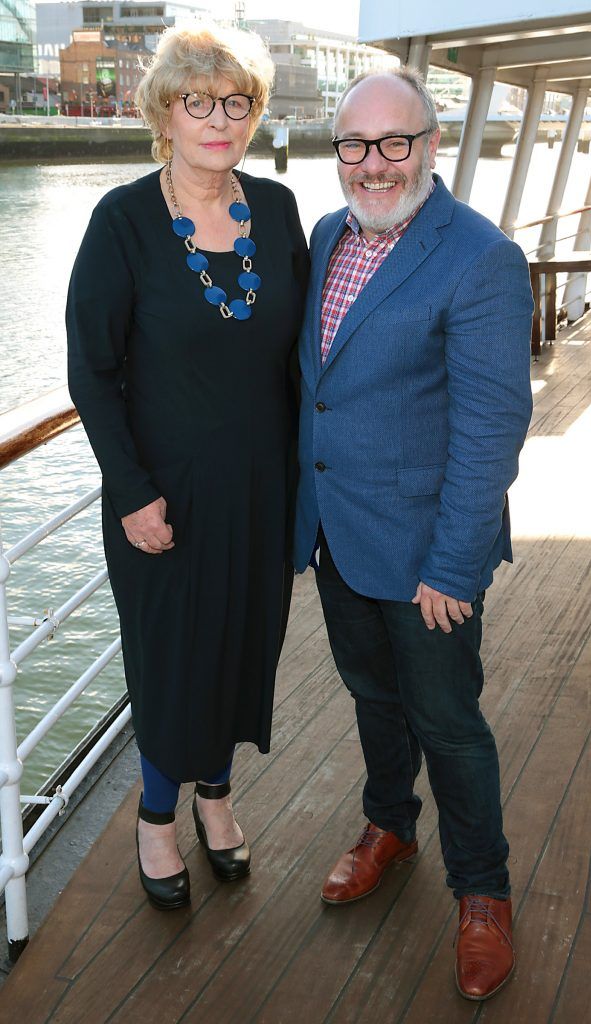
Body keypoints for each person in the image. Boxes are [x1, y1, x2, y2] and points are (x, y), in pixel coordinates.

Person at [293, 67, 533, 1001]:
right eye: (356, 145)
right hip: (340, 536)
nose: (375, 164)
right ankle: (388, 825)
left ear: (430, 146)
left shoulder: (479, 257)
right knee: (369, 696)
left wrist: (454, 564)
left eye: (396, 143)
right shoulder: (324, 237)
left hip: (430, 552)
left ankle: (483, 894)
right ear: (340, 154)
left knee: (449, 724)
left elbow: (488, 427)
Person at [67, 22, 308, 911]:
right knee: (171, 660)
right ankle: (157, 817)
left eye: (236, 101)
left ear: (255, 114)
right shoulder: (124, 219)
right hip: (159, 496)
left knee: (243, 648)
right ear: (163, 112)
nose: (219, 118)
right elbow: (91, 369)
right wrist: (130, 491)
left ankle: (217, 797)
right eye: (196, 101)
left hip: (261, 488)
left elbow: (304, 361)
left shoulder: (277, 212)